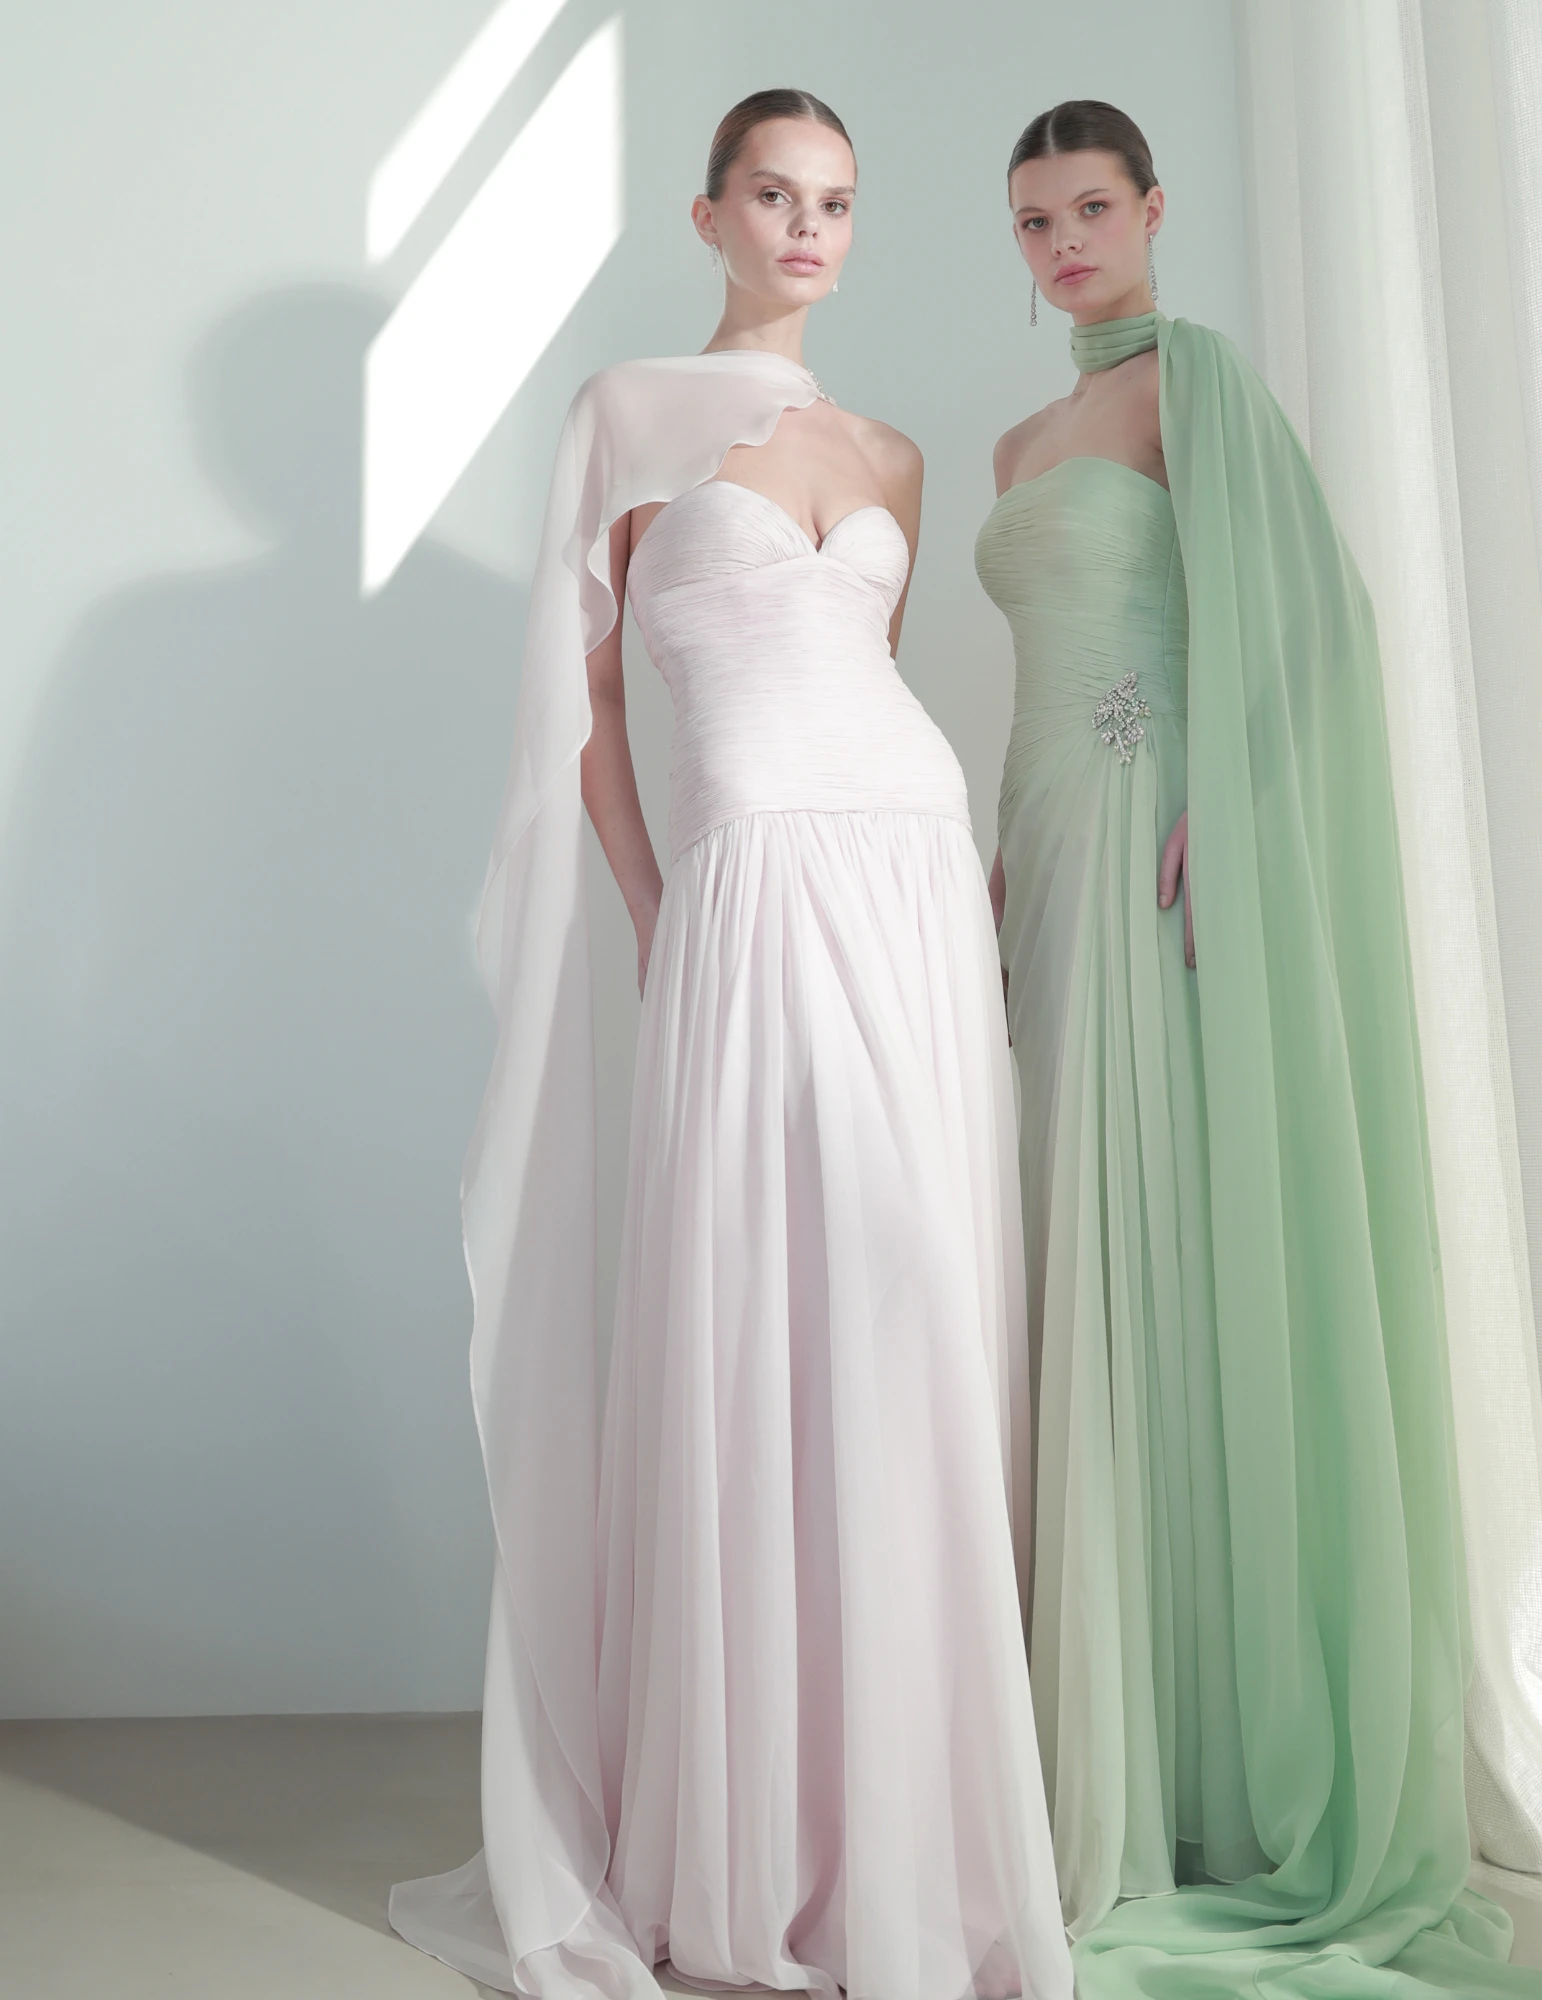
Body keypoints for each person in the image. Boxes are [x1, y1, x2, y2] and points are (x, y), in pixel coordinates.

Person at [392, 89, 1071, 2000]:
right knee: (781, 1302)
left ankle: (904, 1828)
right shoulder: (626, 412)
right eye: (773, 194)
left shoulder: (896, 454)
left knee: (917, 1312)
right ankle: (753, 1834)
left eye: (836, 201)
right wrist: (653, 898)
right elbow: (592, 708)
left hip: (911, 869)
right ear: (710, 215)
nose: (807, 227)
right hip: (749, 876)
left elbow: (874, 675)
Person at [976, 99, 1542, 2000]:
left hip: (1151, 831)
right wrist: (1001, 852)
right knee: (1067, 1256)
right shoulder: (1017, 444)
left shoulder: (1198, 384)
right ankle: (1099, 1736)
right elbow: (1038, 665)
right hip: (1044, 847)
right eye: (1036, 220)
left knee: (1168, 1247)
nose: (1067, 244)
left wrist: (1219, 806)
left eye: (1093, 208)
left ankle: (1210, 1774)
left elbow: (1316, 625)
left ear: (1154, 210)